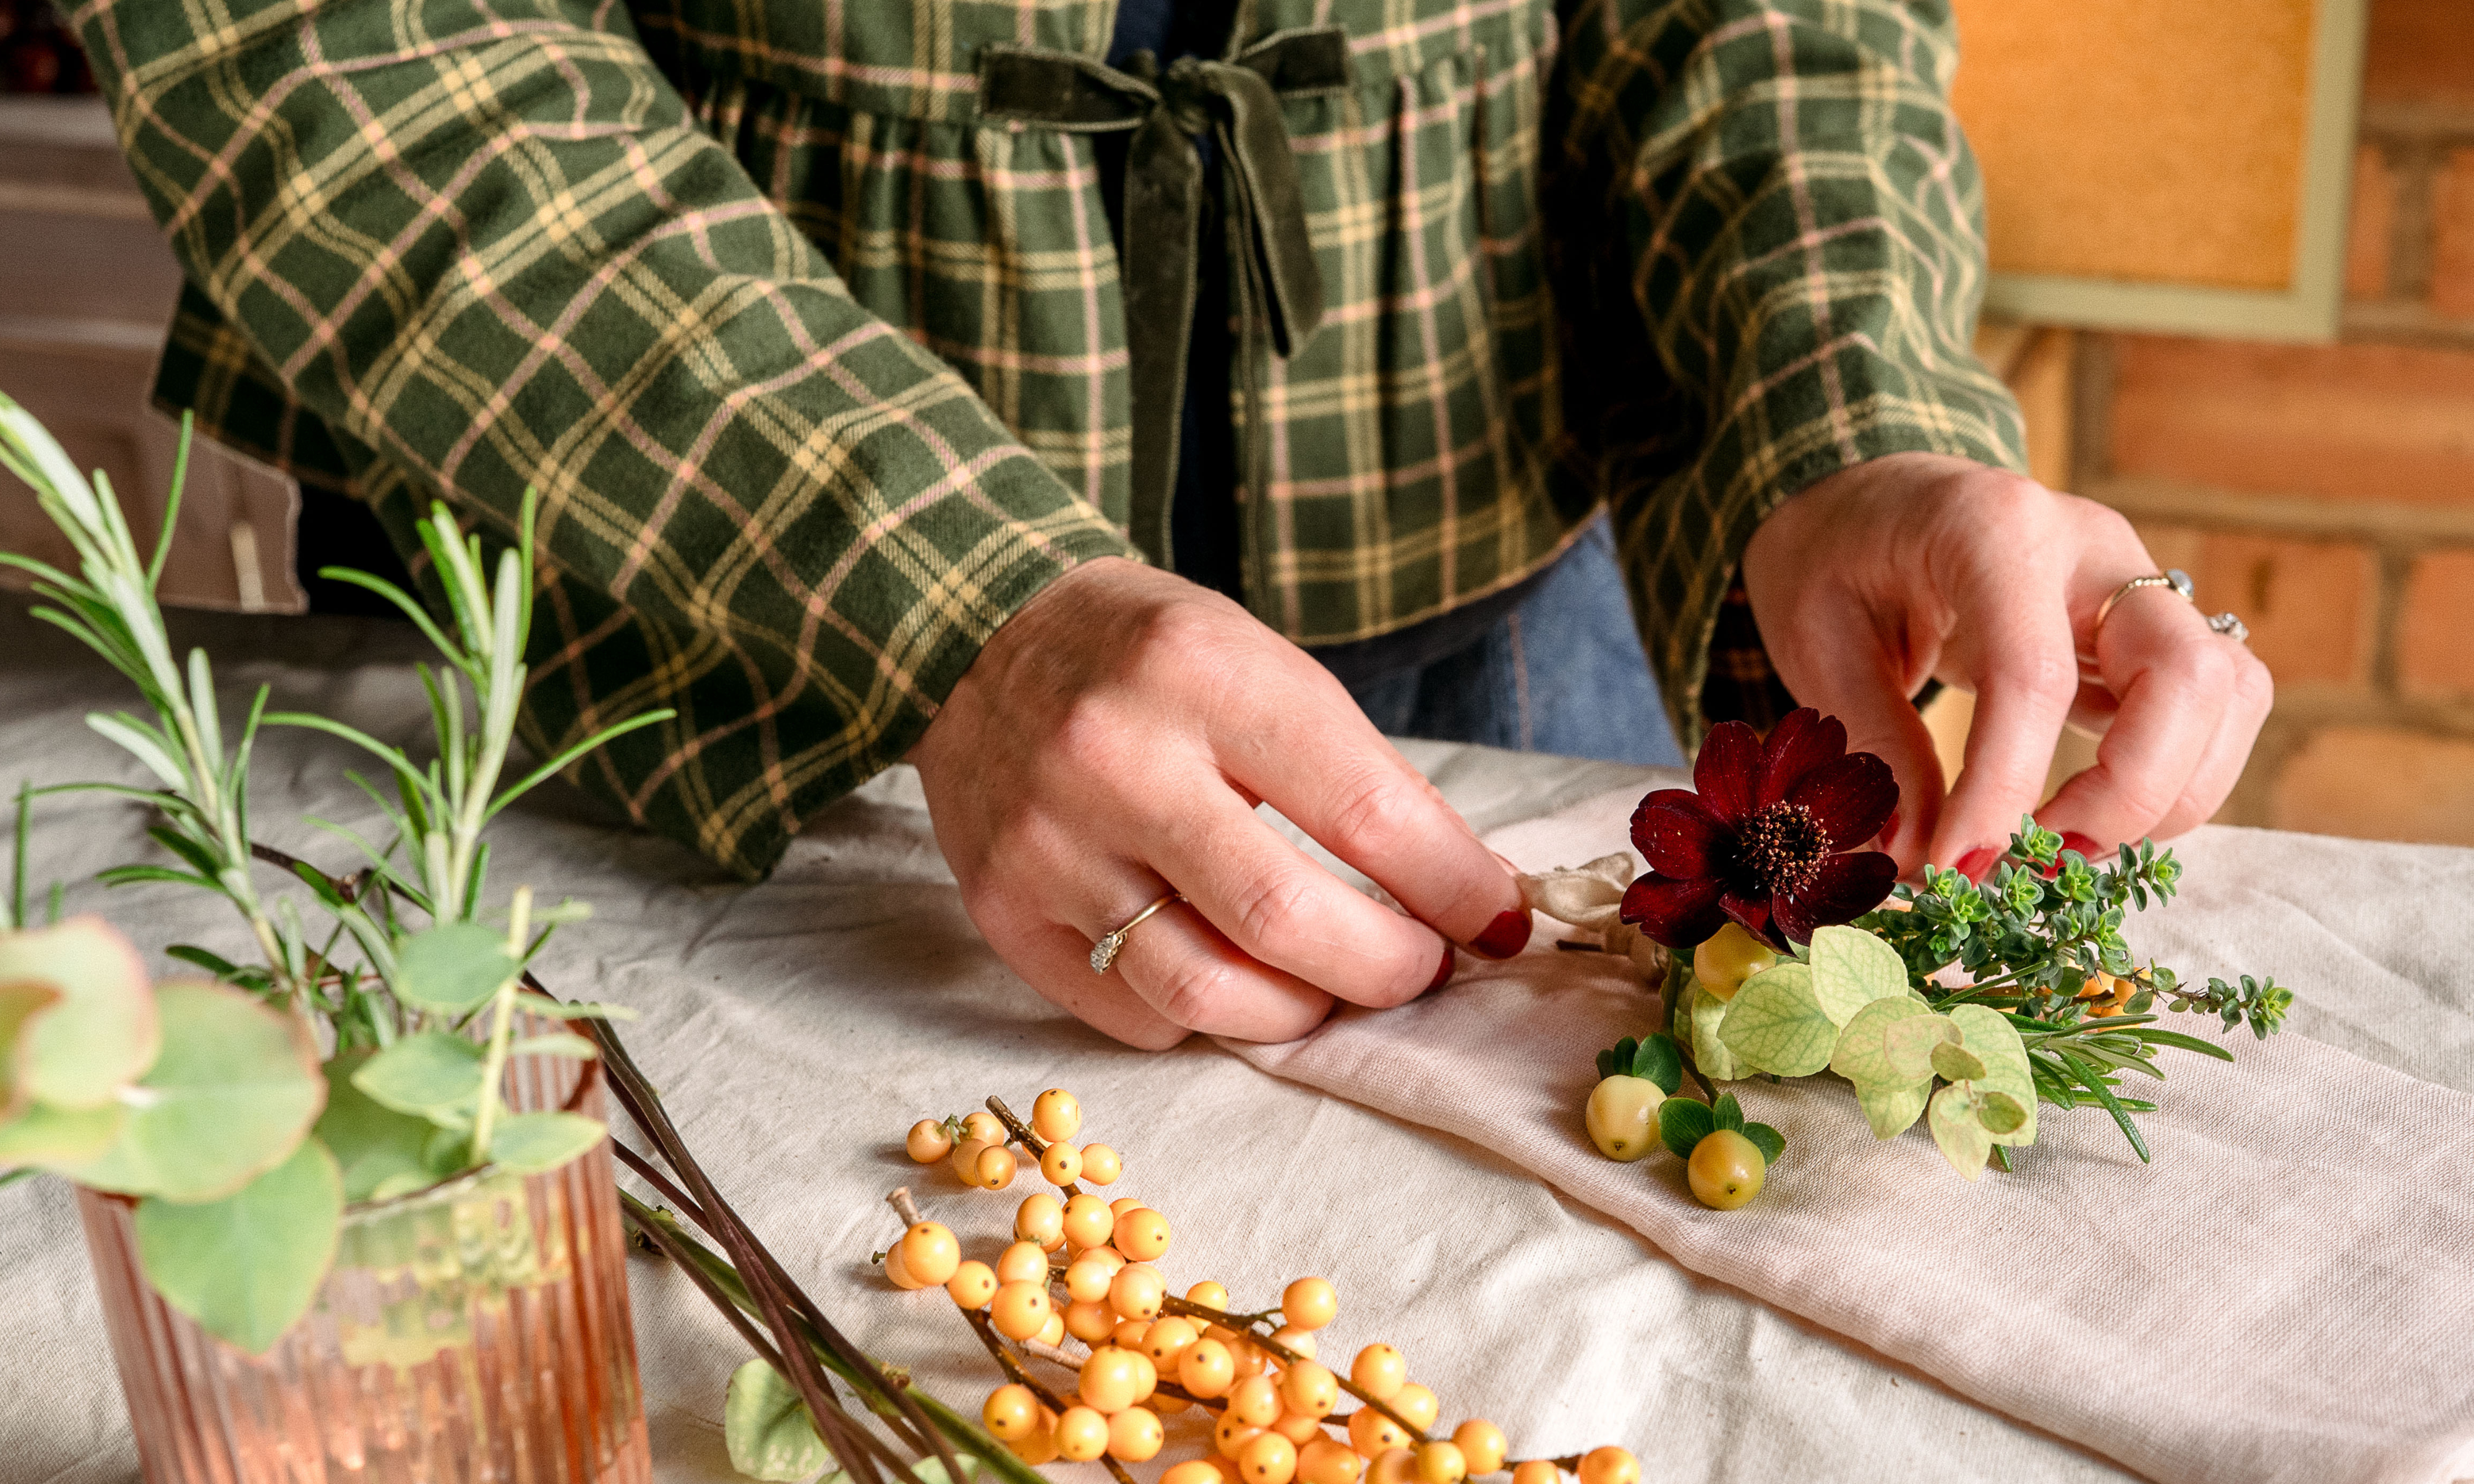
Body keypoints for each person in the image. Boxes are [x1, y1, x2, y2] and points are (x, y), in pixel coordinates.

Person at [71, 0, 2268, 1049]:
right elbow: (342, 42)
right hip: (698, 658)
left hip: (1493, 636)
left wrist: (1855, 402)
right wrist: (949, 595)